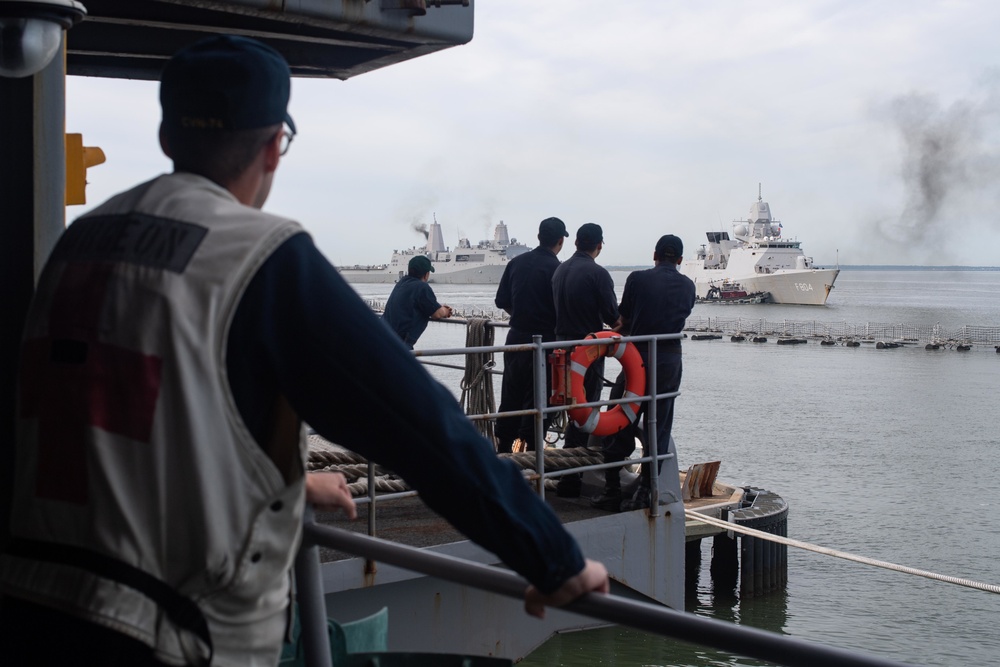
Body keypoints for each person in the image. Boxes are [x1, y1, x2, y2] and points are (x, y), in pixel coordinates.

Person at [0, 36, 608, 667]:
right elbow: (417, 424)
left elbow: (151, 428)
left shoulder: (80, 242)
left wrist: (286, 484)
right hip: (167, 632)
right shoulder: (258, 256)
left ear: (166, 137)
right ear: (272, 147)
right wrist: (551, 556)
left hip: (26, 608)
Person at [597, 234, 696, 512]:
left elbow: (623, 318)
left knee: (619, 414)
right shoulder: (688, 286)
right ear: (679, 260)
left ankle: (611, 488)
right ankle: (646, 490)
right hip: (669, 359)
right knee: (660, 422)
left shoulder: (637, 280)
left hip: (637, 357)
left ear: (654, 255)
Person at [550, 223, 620, 497]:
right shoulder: (598, 274)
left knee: (561, 408)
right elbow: (612, 315)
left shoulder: (559, 270)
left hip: (559, 349)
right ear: (599, 246)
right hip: (587, 353)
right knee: (584, 413)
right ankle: (571, 480)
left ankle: (555, 471)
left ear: (576, 242)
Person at [494, 217, 568, 453]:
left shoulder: (516, 263)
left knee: (511, 395)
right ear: (560, 240)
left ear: (538, 237)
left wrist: (521, 314)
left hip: (516, 339)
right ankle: (532, 457)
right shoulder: (559, 270)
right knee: (540, 399)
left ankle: (503, 449)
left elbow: (501, 301)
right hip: (547, 342)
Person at [381, 254, 453, 348]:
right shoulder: (422, 287)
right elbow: (436, 314)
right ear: (426, 275)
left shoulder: (401, 283)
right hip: (398, 344)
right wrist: (446, 310)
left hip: (382, 335)